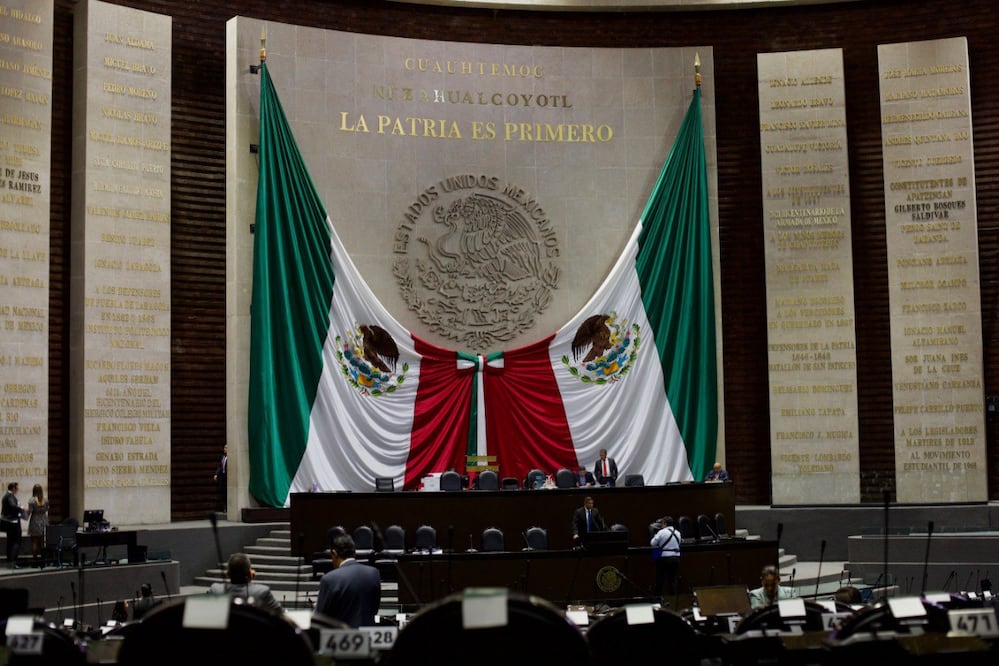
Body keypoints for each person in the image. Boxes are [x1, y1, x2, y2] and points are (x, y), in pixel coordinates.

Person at [314, 533, 381, 628]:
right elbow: (373, 607)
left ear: (334, 554)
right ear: (354, 551)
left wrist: (318, 605)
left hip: (341, 638)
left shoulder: (329, 579)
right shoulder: (374, 573)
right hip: (368, 636)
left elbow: (320, 617)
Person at [209, 552, 283, 613]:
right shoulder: (262, 592)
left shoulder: (216, 589)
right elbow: (280, 613)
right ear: (250, 574)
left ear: (228, 574)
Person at [650, 517, 681, 598]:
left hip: (663, 559)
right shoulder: (678, 533)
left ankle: (658, 600)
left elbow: (652, 544)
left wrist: (655, 535)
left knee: (660, 580)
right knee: (672, 581)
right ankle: (673, 600)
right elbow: (679, 543)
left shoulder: (661, 532)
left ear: (664, 523)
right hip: (676, 559)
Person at [1, 482, 24, 569]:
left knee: (10, 542)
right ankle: (13, 561)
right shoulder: (10, 496)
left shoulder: (5, 496)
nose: (17, 490)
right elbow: (13, 506)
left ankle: (9, 561)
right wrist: (21, 508)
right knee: (16, 542)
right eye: (17, 488)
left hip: (8, 523)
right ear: (13, 488)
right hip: (13, 523)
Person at [26, 483, 48, 568]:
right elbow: (46, 509)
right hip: (43, 520)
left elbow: (29, 511)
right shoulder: (45, 500)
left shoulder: (32, 500)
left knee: (34, 541)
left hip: (35, 521)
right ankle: (43, 561)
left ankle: (35, 561)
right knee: (42, 542)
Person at [213, 445, 228, 511]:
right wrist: (216, 474)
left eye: (226, 448)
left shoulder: (230, 457)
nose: (224, 449)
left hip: (228, 477)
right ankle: (225, 507)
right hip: (223, 477)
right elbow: (220, 466)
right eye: (224, 447)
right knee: (223, 491)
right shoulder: (223, 457)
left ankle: (228, 507)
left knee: (227, 492)